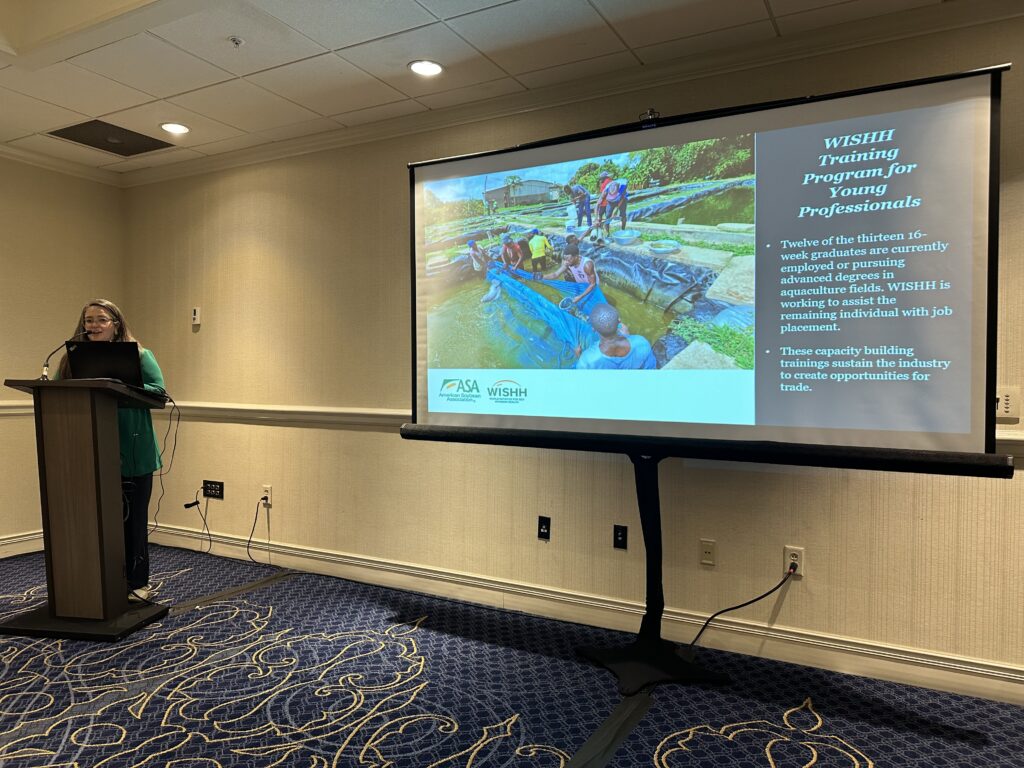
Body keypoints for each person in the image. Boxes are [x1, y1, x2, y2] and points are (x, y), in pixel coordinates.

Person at [56, 299, 166, 602]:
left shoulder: (140, 354)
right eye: (88, 320)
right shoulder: (70, 358)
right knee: (93, 520)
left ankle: (137, 582)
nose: (93, 326)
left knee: (132, 520)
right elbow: (57, 392)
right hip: (86, 448)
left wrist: (118, 388)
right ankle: (96, 579)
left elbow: (159, 392)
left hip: (132, 447)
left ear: (116, 324)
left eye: (101, 320)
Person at [575, 303, 656, 370]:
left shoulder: (587, 361)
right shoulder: (641, 343)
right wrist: (628, 336)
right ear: (619, 321)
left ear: (593, 329)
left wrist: (579, 356)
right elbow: (650, 369)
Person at [538, 235, 599, 307]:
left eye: (569, 259)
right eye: (565, 259)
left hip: (592, 287)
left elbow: (593, 284)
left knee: (594, 303)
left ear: (576, 257)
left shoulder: (587, 265)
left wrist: (580, 297)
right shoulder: (568, 263)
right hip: (581, 285)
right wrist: (541, 276)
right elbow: (555, 275)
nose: (566, 262)